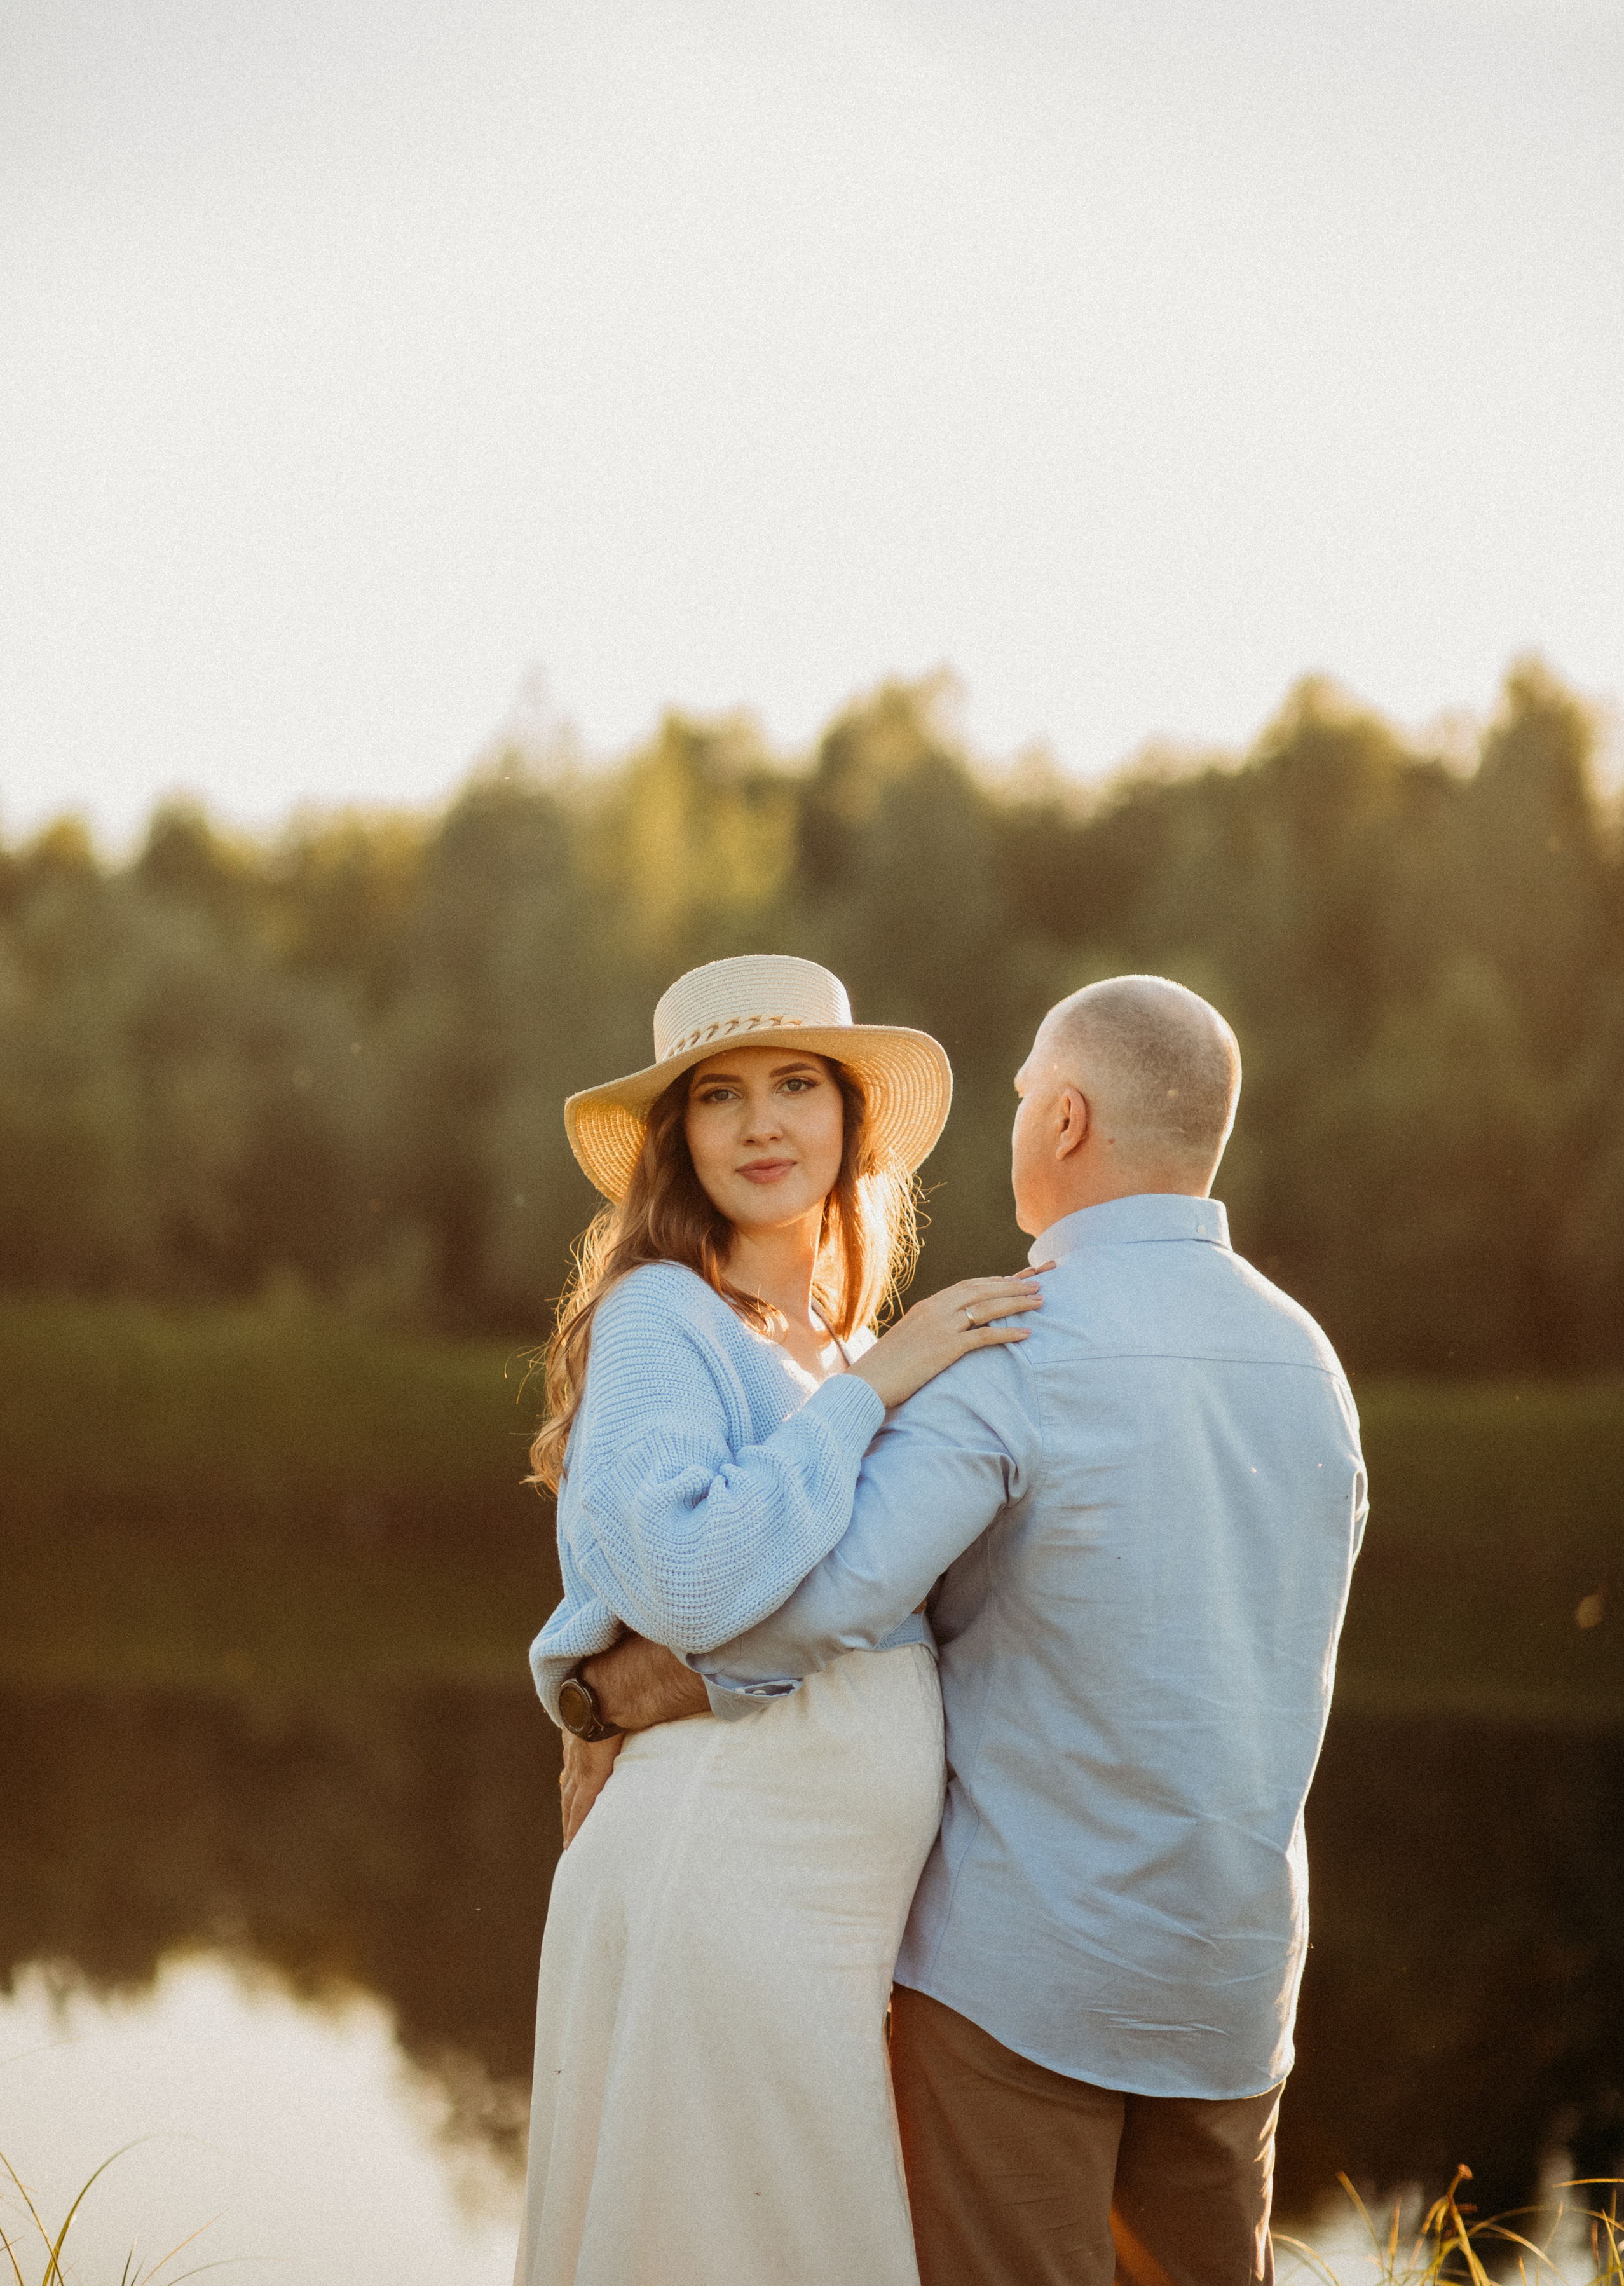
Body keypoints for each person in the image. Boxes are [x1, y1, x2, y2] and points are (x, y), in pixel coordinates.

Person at [568, 974, 1369, 2286]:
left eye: (1015, 1104)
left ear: (1061, 1122)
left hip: (1023, 1979)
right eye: (720, 1096)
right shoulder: (1307, 1363)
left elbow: (811, 1607)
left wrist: (607, 1694)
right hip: (1230, 1983)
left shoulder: (1012, 1344)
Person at [512, 952, 1046, 2286]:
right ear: (677, 1139)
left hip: (827, 1907)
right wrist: (882, 1391)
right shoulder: (665, 1319)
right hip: (718, 1868)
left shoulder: (845, 1349)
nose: (761, 1125)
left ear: (848, 1120)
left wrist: (878, 1372)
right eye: (720, 1096)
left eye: (796, 1085)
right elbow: (687, 1580)